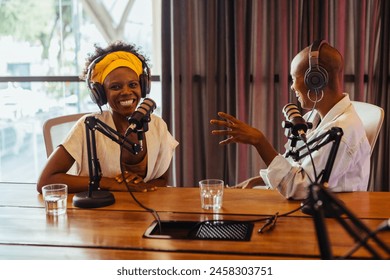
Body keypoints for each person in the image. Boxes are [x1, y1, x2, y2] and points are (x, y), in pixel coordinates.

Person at [210, 40, 370, 200]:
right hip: (308, 207)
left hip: (329, 218)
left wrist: (259, 141)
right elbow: (297, 165)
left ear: (315, 80)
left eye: (294, 78)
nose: (292, 87)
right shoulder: (313, 118)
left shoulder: (343, 132)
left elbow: (299, 188)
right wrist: (257, 181)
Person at [37, 40, 178, 194]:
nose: (126, 92)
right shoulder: (89, 126)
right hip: (98, 213)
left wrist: (140, 186)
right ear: (101, 94)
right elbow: (46, 181)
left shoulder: (157, 126)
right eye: (115, 87)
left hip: (146, 211)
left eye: (133, 85)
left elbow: (162, 179)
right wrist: (109, 183)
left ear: (143, 87)